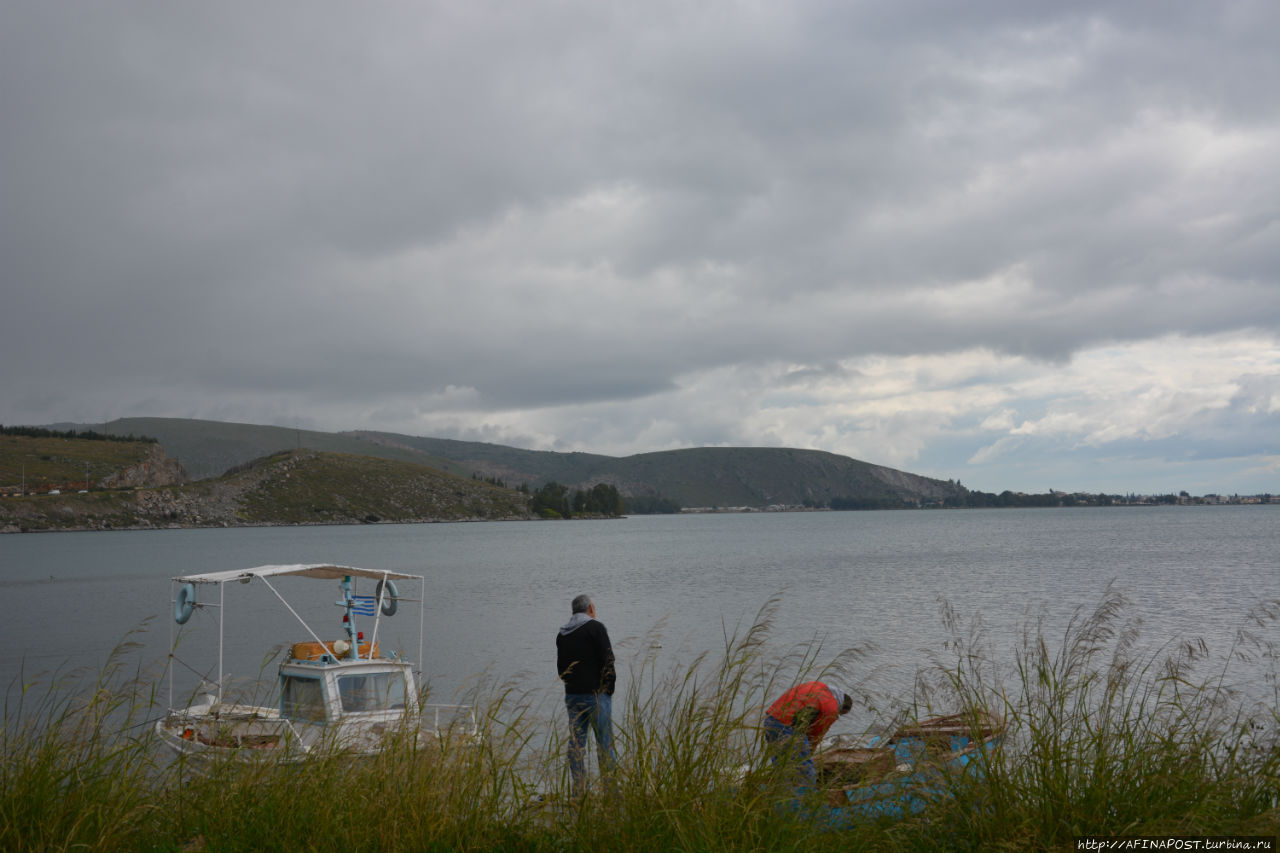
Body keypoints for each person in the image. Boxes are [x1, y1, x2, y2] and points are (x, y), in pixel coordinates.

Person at [556, 593, 617, 797]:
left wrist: (573, 687)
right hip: (596, 696)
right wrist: (608, 690)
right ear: (590, 608)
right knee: (605, 744)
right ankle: (611, 793)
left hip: (572, 696)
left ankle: (579, 792)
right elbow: (608, 660)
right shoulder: (596, 628)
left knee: (576, 745)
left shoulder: (562, 634)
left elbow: (561, 670)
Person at [761, 680, 854, 784]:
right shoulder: (831, 708)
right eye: (840, 713)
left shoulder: (816, 685)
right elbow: (815, 735)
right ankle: (803, 796)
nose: (838, 714)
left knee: (781, 767)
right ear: (841, 707)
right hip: (787, 729)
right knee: (807, 775)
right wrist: (808, 755)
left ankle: (776, 790)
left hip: (771, 720)